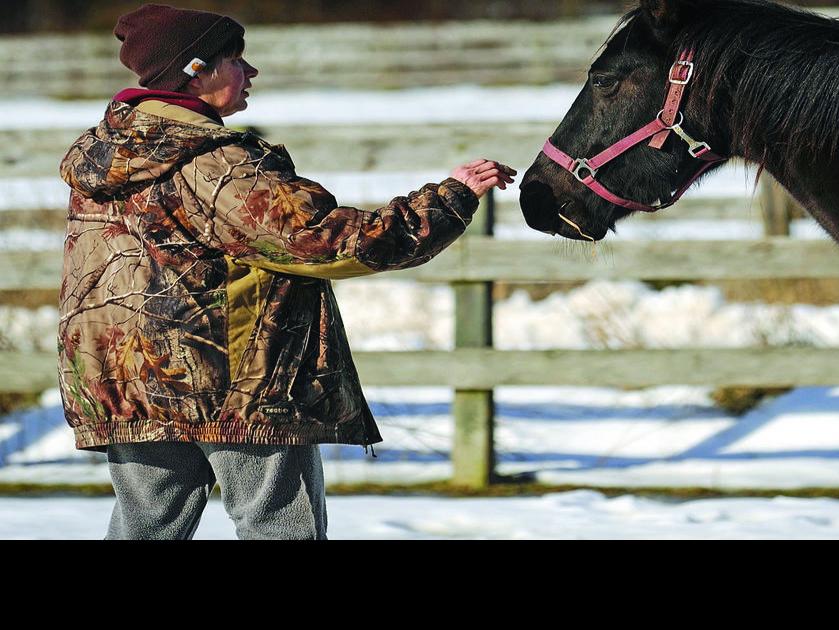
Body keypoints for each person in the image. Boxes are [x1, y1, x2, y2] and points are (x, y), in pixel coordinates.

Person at [57, 3, 515, 540]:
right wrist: (450, 198)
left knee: (145, 527)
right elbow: (325, 243)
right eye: (237, 60)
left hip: (127, 382)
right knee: (278, 526)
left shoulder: (109, 157)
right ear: (194, 70)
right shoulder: (214, 164)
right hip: (235, 386)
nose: (251, 73)